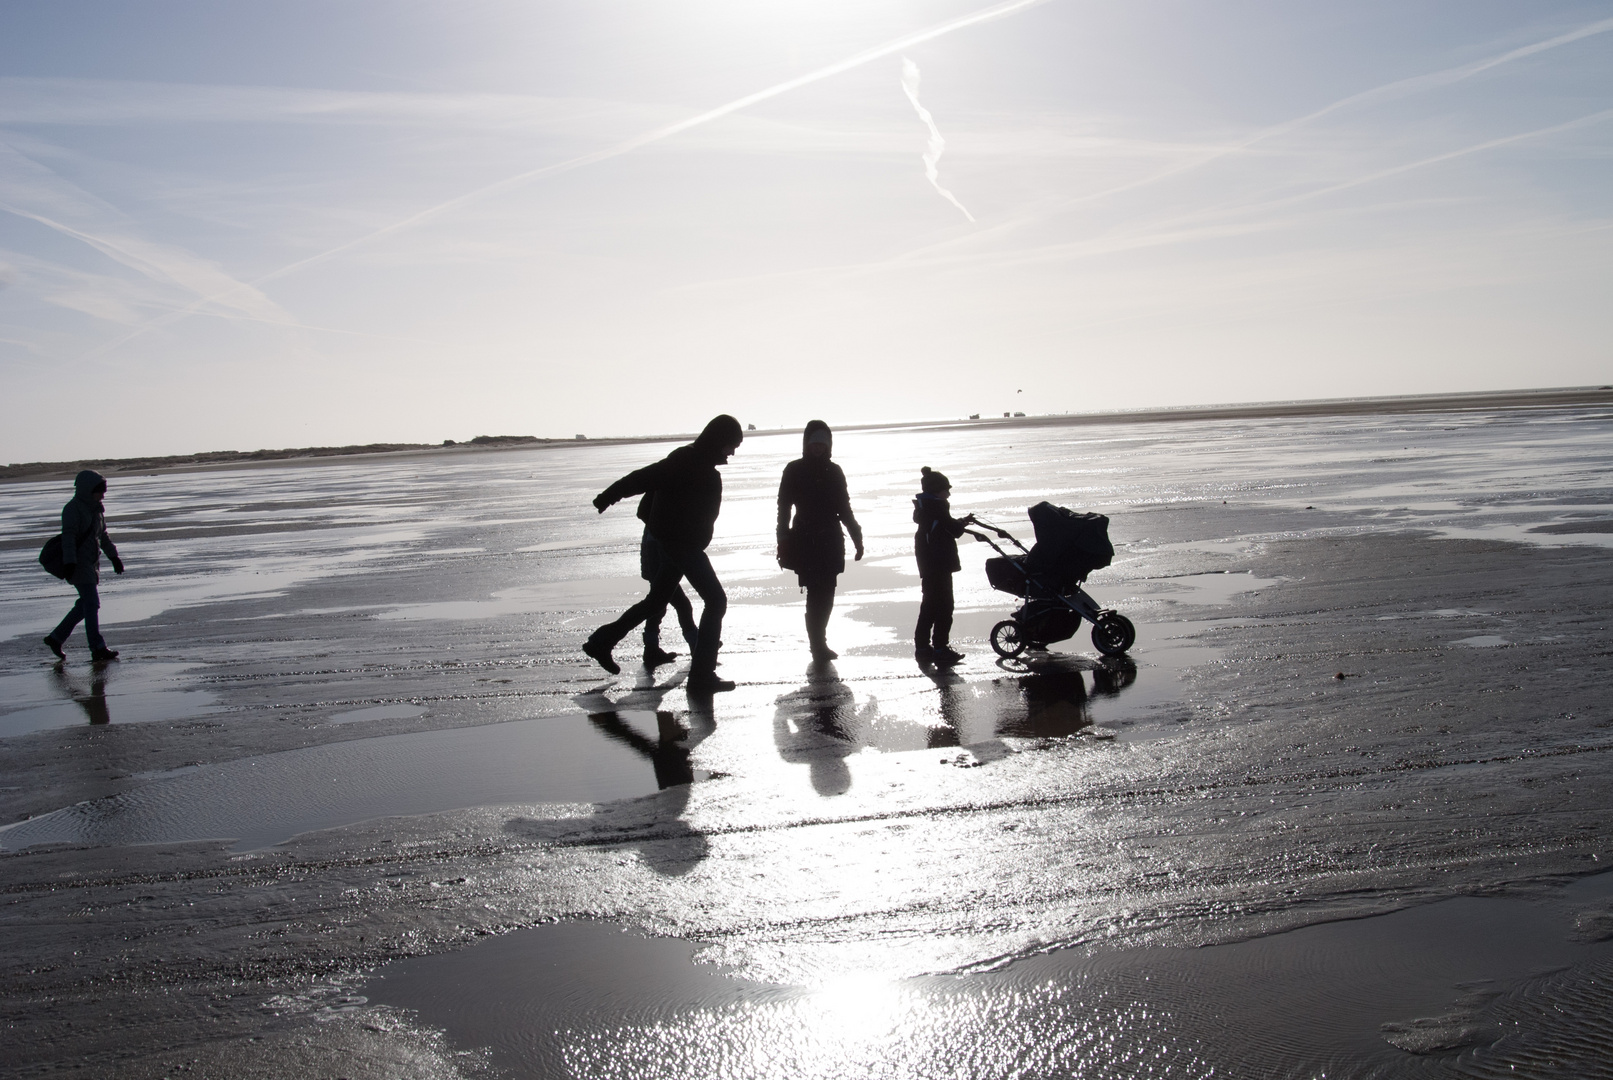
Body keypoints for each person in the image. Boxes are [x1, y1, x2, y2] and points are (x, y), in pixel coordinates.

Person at [585, 414, 744, 693]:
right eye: (731, 445)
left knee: (655, 602)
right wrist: (608, 496)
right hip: (680, 546)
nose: (732, 452)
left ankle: (602, 642)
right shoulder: (686, 460)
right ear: (719, 440)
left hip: (680, 546)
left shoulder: (702, 465)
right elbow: (643, 478)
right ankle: (702, 676)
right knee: (716, 600)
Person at [776, 420, 863, 662]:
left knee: (828, 592)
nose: (818, 448)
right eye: (814, 443)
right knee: (816, 592)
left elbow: (844, 508)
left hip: (831, 538)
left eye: (822, 444)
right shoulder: (794, 470)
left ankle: (819, 640)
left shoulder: (834, 471)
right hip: (805, 538)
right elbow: (783, 507)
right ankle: (817, 644)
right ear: (806, 443)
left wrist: (856, 536)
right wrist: (782, 538)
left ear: (828, 445)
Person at [44, 469, 124, 663]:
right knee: (92, 604)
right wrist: (70, 562)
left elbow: (103, 536)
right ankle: (97, 648)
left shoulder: (96, 509)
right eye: (99, 491)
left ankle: (56, 638)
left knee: (85, 605)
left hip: (91, 563)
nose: (102, 495)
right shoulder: (72, 509)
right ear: (88, 490)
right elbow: (69, 538)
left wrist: (114, 557)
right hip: (78, 564)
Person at [913, 466, 973, 665]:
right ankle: (940, 647)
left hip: (930, 566)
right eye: (946, 489)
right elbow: (953, 529)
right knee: (944, 606)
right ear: (936, 491)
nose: (948, 493)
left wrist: (961, 522)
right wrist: (963, 523)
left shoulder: (927, 509)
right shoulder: (936, 508)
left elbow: (946, 526)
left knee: (929, 605)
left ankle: (923, 647)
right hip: (938, 565)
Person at [637, 499, 699, 668]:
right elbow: (642, 511)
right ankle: (696, 644)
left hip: (656, 556)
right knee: (679, 605)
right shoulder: (659, 519)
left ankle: (651, 648)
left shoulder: (654, 523)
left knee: (658, 606)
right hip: (659, 557)